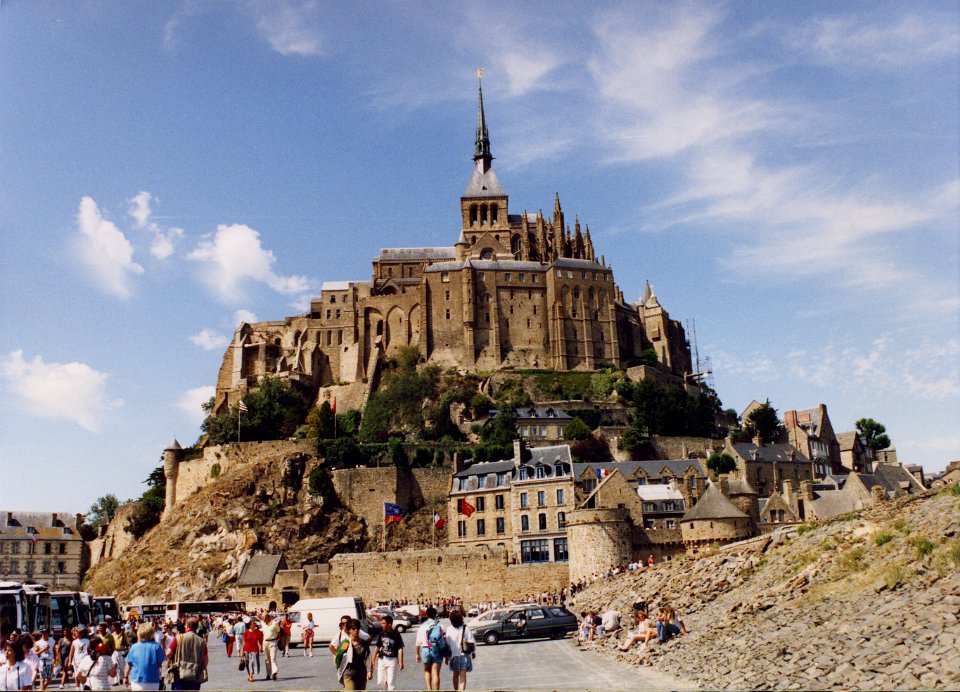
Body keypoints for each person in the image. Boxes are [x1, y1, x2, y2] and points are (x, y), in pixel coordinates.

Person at [167, 617, 207, 691]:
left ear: (188, 626)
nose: (185, 626)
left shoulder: (178, 638)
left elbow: (168, 654)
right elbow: (205, 659)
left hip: (179, 674)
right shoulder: (201, 641)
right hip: (195, 675)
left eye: (185, 625)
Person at [125, 623, 166, 691]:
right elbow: (160, 664)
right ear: (151, 633)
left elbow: (128, 665)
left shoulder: (134, 647)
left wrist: (126, 677)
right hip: (152, 681)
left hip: (136, 681)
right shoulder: (157, 646)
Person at [368, 615, 404, 691]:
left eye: (384, 623)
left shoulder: (396, 634)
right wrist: (373, 660)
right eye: (382, 623)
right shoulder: (382, 634)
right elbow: (377, 647)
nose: (382, 625)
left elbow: (400, 648)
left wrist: (401, 661)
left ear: (389, 624)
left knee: (391, 682)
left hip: (392, 660)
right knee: (381, 681)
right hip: (382, 659)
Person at [414, 606, 446, 691]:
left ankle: (429, 689)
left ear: (426, 615)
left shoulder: (422, 626)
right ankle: (436, 690)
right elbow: (444, 639)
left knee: (427, 671)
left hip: (425, 649)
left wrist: (417, 653)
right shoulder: (439, 625)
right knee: (435, 673)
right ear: (435, 615)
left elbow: (418, 642)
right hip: (437, 649)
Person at [444, 610, 475, 692]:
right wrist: (473, 652)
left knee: (455, 675)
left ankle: (456, 690)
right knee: (463, 676)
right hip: (464, 655)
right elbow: (471, 641)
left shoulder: (449, 629)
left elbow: (447, 645)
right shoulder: (466, 628)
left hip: (453, 656)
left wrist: (447, 658)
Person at [335, 620, 368, 690]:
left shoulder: (364, 643)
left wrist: (370, 671)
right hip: (349, 673)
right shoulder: (346, 643)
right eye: (353, 629)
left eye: (358, 628)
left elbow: (368, 657)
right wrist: (339, 668)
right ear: (349, 630)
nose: (356, 630)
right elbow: (339, 656)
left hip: (361, 673)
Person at [261, 614, 280, 682]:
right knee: (267, 659)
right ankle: (268, 674)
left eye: (265, 620)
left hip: (273, 642)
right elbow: (263, 635)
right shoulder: (263, 624)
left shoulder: (275, 624)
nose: (264, 621)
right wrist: (262, 646)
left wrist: (276, 640)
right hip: (265, 642)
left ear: (268, 618)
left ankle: (274, 672)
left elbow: (278, 633)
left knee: (273, 658)